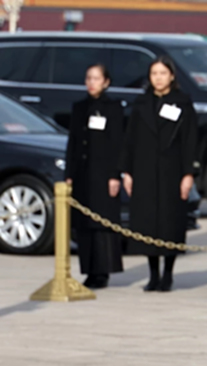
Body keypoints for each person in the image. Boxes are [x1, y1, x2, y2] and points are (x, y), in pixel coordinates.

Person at [120, 56, 197, 293]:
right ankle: (153, 274)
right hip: (144, 170)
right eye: (154, 74)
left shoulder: (182, 102)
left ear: (172, 76)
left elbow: (190, 140)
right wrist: (127, 171)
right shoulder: (141, 103)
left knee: (169, 222)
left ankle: (168, 274)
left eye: (163, 73)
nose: (158, 78)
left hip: (171, 171)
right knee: (148, 224)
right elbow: (129, 139)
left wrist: (188, 173)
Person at [64, 63, 124, 290]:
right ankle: (88, 269)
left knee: (101, 223)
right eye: (89, 78)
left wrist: (114, 175)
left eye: (97, 78)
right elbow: (73, 143)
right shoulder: (79, 107)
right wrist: (69, 174)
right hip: (82, 174)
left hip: (103, 174)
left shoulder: (113, 107)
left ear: (106, 82)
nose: (92, 82)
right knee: (84, 225)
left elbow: (116, 143)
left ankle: (103, 271)